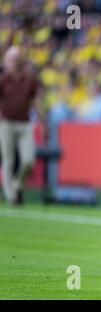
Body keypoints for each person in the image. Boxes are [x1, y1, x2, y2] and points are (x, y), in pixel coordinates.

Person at [0, 46, 42, 205]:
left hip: (25, 124)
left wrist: (42, 121)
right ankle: (10, 195)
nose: (14, 62)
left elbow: (35, 102)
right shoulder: (3, 80)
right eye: (12, 59)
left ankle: (17, 185)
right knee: (8, 160)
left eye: (17, 59)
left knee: (28, 160)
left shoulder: (29, 81)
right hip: (6, 123)